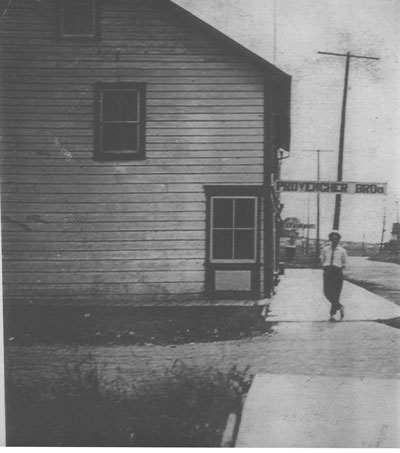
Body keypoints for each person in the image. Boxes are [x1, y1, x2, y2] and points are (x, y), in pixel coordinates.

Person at [320, 230, 348, 320]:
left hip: (337, 272)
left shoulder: (342, 251)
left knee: (336, 293)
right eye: (332, 238)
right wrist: (325, 268)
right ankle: (339, 306)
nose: (334, 240)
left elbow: (344, 263)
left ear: (339, 239)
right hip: (328, 271)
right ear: (330, 239)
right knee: (326, 292)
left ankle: (332, 313)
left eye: (336, 238)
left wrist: (340, 271)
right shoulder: (325, 250)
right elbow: (322, 259)